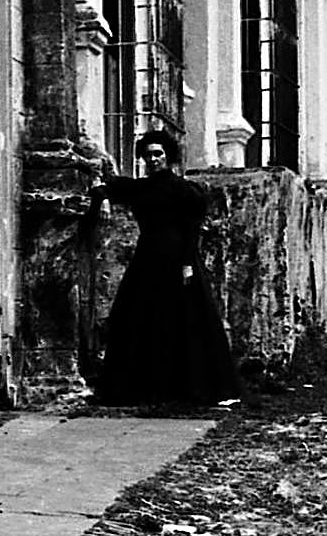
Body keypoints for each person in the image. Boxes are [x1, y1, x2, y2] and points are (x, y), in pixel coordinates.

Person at [92, 130, 240, 407]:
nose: (153, 159)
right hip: (147, 260)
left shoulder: (185, 191)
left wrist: (187, 265)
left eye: (158, 154)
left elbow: (190, 230)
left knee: (185, 320)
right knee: (140, 318)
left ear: (168, 156)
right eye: (148, 155)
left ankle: (188, 386)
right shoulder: (141, 188)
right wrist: (99, 193)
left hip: (177, 259)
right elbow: (113, 187)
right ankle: (143, 387)